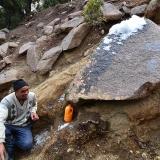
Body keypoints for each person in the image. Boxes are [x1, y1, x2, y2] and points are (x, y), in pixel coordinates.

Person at [0, 79, 39, 160]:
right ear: (16, 92)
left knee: (27, 145)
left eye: (27, 90)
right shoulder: (6, 102)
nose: (26, 93)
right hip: (8, 125)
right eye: (23, 91)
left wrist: (33, 112)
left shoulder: (32, 96)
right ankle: (9, 151)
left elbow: (34, 105)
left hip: (23, 126)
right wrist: (0, 142)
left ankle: (11, 141)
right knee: (6, 136)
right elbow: (0, 120)